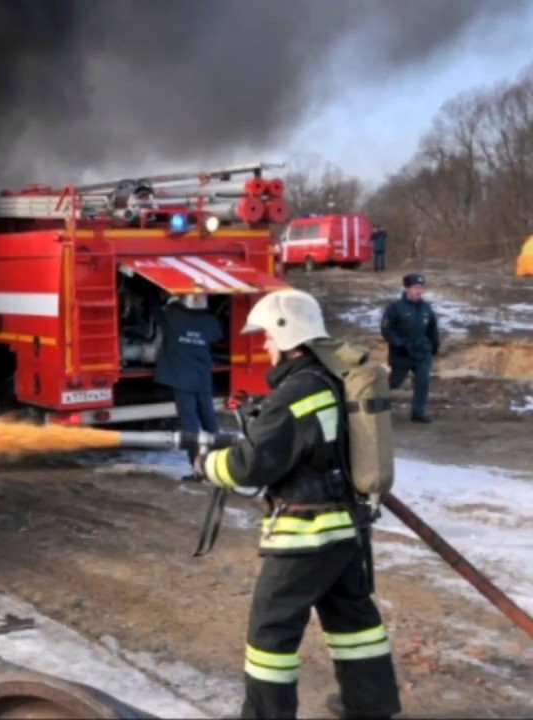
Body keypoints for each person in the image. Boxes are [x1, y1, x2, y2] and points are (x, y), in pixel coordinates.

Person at [193, 288, 401, 720]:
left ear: (288, 335)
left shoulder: (297, 392)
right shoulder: (329, 379)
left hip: (307, 533)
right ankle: (371, 706)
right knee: (353, 622)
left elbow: (253, 466)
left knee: (270, 634)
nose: (265, 344)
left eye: (267, 335)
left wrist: (210, 465)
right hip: (344, 527)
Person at [154, 291, 221, 481]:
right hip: (203, 380)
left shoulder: (172, 317)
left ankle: (197, 469)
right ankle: (218, 466)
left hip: (182, 381)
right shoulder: (209, 322)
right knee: (210, 423)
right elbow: (217, 334)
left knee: (190, 427)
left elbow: (154, 310)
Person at [380, 273, 439, 423]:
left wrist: (434, 346)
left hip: (422, 352)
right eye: (416, 288)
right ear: (407, 289)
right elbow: (386, 329)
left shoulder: (426, 308)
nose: (419, 291)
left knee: (422, 382)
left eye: (421, 288)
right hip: (402, 353)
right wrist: (397, 343)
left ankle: (418, 412)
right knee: (394, 382)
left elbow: (432, 329)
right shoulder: (395, 308)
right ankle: (376, 403)